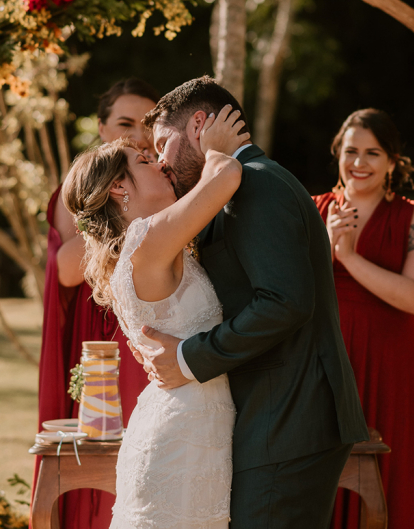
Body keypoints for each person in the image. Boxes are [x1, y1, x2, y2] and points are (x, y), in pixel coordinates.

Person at [137, 77, 369, 529]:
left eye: (163, 143)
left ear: (200, 125)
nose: (161, 162)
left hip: (287, 419)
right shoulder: (232, 186)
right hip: (272, 419)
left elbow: (283, 302)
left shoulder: (256, 185)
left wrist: (188, 358)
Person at [62, 106, 250, 528]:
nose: (162, 164)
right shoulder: (146, 237)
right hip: (183, 436)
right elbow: (226, 178)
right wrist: (216, 147)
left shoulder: (148, 243)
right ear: (117, 189)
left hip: (189, 424)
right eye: (145, 162)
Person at [35, 78, 158, 529]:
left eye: (147, 124)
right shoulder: (80, 187)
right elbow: (67, 269)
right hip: (99, 330)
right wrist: (121, 212)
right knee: (104, 450)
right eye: (125, 123)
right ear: (103, 128)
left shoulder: (164, 180)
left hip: (151, 319)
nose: (137, 134)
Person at [312, 109, 414, 529]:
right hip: (324, 359)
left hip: (391, 363)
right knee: (321, 475)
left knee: (391, 476)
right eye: (351, 151)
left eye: (373, 152)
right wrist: (324, 248)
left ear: (392, 161)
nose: (359, 163)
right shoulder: (312, 210)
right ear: (338, 154)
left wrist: (347, 257)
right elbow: (292, 293)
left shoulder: (413, 215)